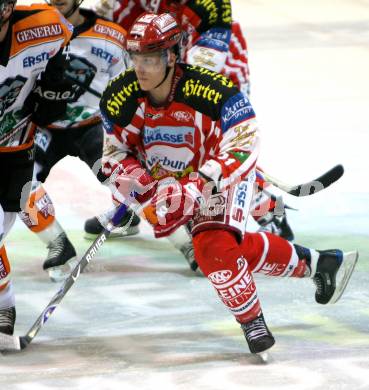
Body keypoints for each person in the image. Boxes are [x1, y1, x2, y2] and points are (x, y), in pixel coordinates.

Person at [98, 12, 358, 354]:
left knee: (212, 247)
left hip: (221, 176)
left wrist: (203, 179)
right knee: (230, 248)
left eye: (149, 59)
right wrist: (147, 188)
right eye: (136, 58)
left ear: (172, 56)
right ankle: (320, 263)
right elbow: (113, 156)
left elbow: (245, 138)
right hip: (173, 183)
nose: (141, 68)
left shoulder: (209, 89)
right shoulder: (119, 97)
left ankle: (252, 321)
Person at [85, 0, 294, 272]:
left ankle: (269, 210)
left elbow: (207, 59)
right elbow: (128, 28)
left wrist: (170, 80)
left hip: (213, 73)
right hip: (159, 69)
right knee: (135, 145)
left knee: (215, 153)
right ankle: (127, 211)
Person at [17, 0, 129, 282]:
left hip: (92, 125)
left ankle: (184, 240)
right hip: (43, 127)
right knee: (16, 182)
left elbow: (130, 93)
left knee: (128, 176)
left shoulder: (112, 37)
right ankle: (57, 242)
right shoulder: (31, 31)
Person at [0, 0, 73, 335]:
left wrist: (55, 84)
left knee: (20, 199)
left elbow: (61, 38)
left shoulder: (43, 25)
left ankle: (56, 238)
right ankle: (5, 305)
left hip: (16, 145)